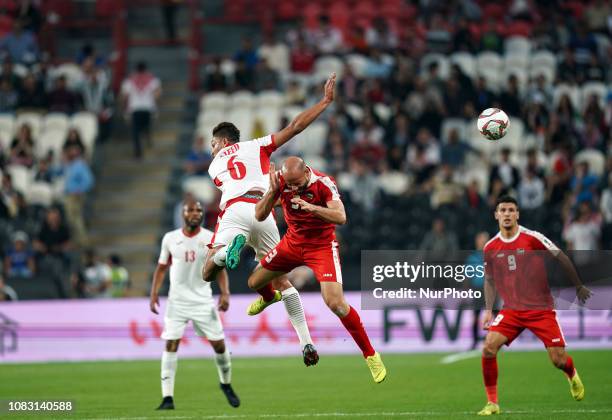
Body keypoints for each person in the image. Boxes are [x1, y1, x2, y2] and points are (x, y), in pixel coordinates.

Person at [201, 73, 338, 366]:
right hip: (262, 211)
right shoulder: (258, 145)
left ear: (223, 142)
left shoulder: (214, 166)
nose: (212, 149)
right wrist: (324, 101)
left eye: (213, 143)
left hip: (236, 210)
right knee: (283, 282)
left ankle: (227, 251)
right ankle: (307, 343)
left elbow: (233, 183)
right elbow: (296, 126)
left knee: (208, 270)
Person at [244, 157, 387, 383]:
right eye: (287, 184)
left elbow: (341, 217)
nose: (291, 188)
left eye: (295, 184)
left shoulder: (323, 183)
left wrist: (313, 208)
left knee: (336, 304)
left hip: (321, 247)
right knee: (254, 282)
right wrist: (272, 192)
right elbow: (259, 214)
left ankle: (370, 355)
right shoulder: (280, 181)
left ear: (306, 173)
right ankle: (270, 297)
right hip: (291, 244)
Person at [477, 195, 591, 415]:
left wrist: (578, 286)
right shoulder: (491, 246)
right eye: (503, 210)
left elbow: (561, 257)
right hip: (511, 309)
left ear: (517, 214)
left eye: (511, 210)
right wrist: (489, 311)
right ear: (496, 215)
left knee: (558, 360)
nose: (507, 214)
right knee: (489, 347)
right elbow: (489, 279)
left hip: (540, 310)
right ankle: (492, 403)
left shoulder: (532, 238)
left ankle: (571, 373)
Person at [150, 199, 239, 410]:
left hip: (202, 301)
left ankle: (225, 383)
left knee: (219, 345)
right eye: (191, 210)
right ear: (183, 213)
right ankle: (167, 398)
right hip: (177, 302)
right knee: (171, 344)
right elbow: (161, 268)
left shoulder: (210, 238)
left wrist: (225, 293)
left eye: (199, 210)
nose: (195, 213)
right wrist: (154, 293)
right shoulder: (170, 238)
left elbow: (220, 268)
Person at [120, 62, 161, 159]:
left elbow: (125, 97)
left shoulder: (129, 80)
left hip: (135, 108)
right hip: (148, 108)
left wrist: (125, 109)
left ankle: (138, 152)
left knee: (135, 132)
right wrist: (155, 106)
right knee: (146, 126)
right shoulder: (153, 80)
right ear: (145, 69)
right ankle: (148, 137)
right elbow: (157, 94)